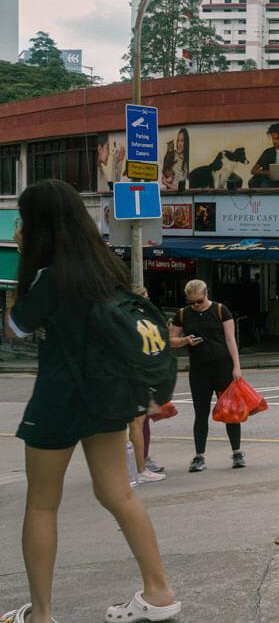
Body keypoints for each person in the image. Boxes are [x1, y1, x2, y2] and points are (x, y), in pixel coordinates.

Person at [3, 178, 181, 623]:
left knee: (43, 504)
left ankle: (41, 615)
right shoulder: (106, 270)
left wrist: (22, 268)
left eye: (24, 222)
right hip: (106, 397)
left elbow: (16, 329)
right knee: (119, 493)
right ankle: (159, 592)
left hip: (59, 400)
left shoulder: (48, 276)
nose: (20, 229)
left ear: (40, 225)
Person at [169, 280, 246, 472]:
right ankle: (199, 456)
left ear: (206, 294)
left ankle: (237, 452)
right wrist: (185, 340)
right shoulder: (182, 314)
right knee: (200, 413)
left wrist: (236, 366)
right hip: (199, 369)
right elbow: (171, 340)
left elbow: (230, 339)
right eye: (192, 301)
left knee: (230, 412)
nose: (195, 305)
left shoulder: (221, 310)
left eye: (199, 301)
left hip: (223, 367)